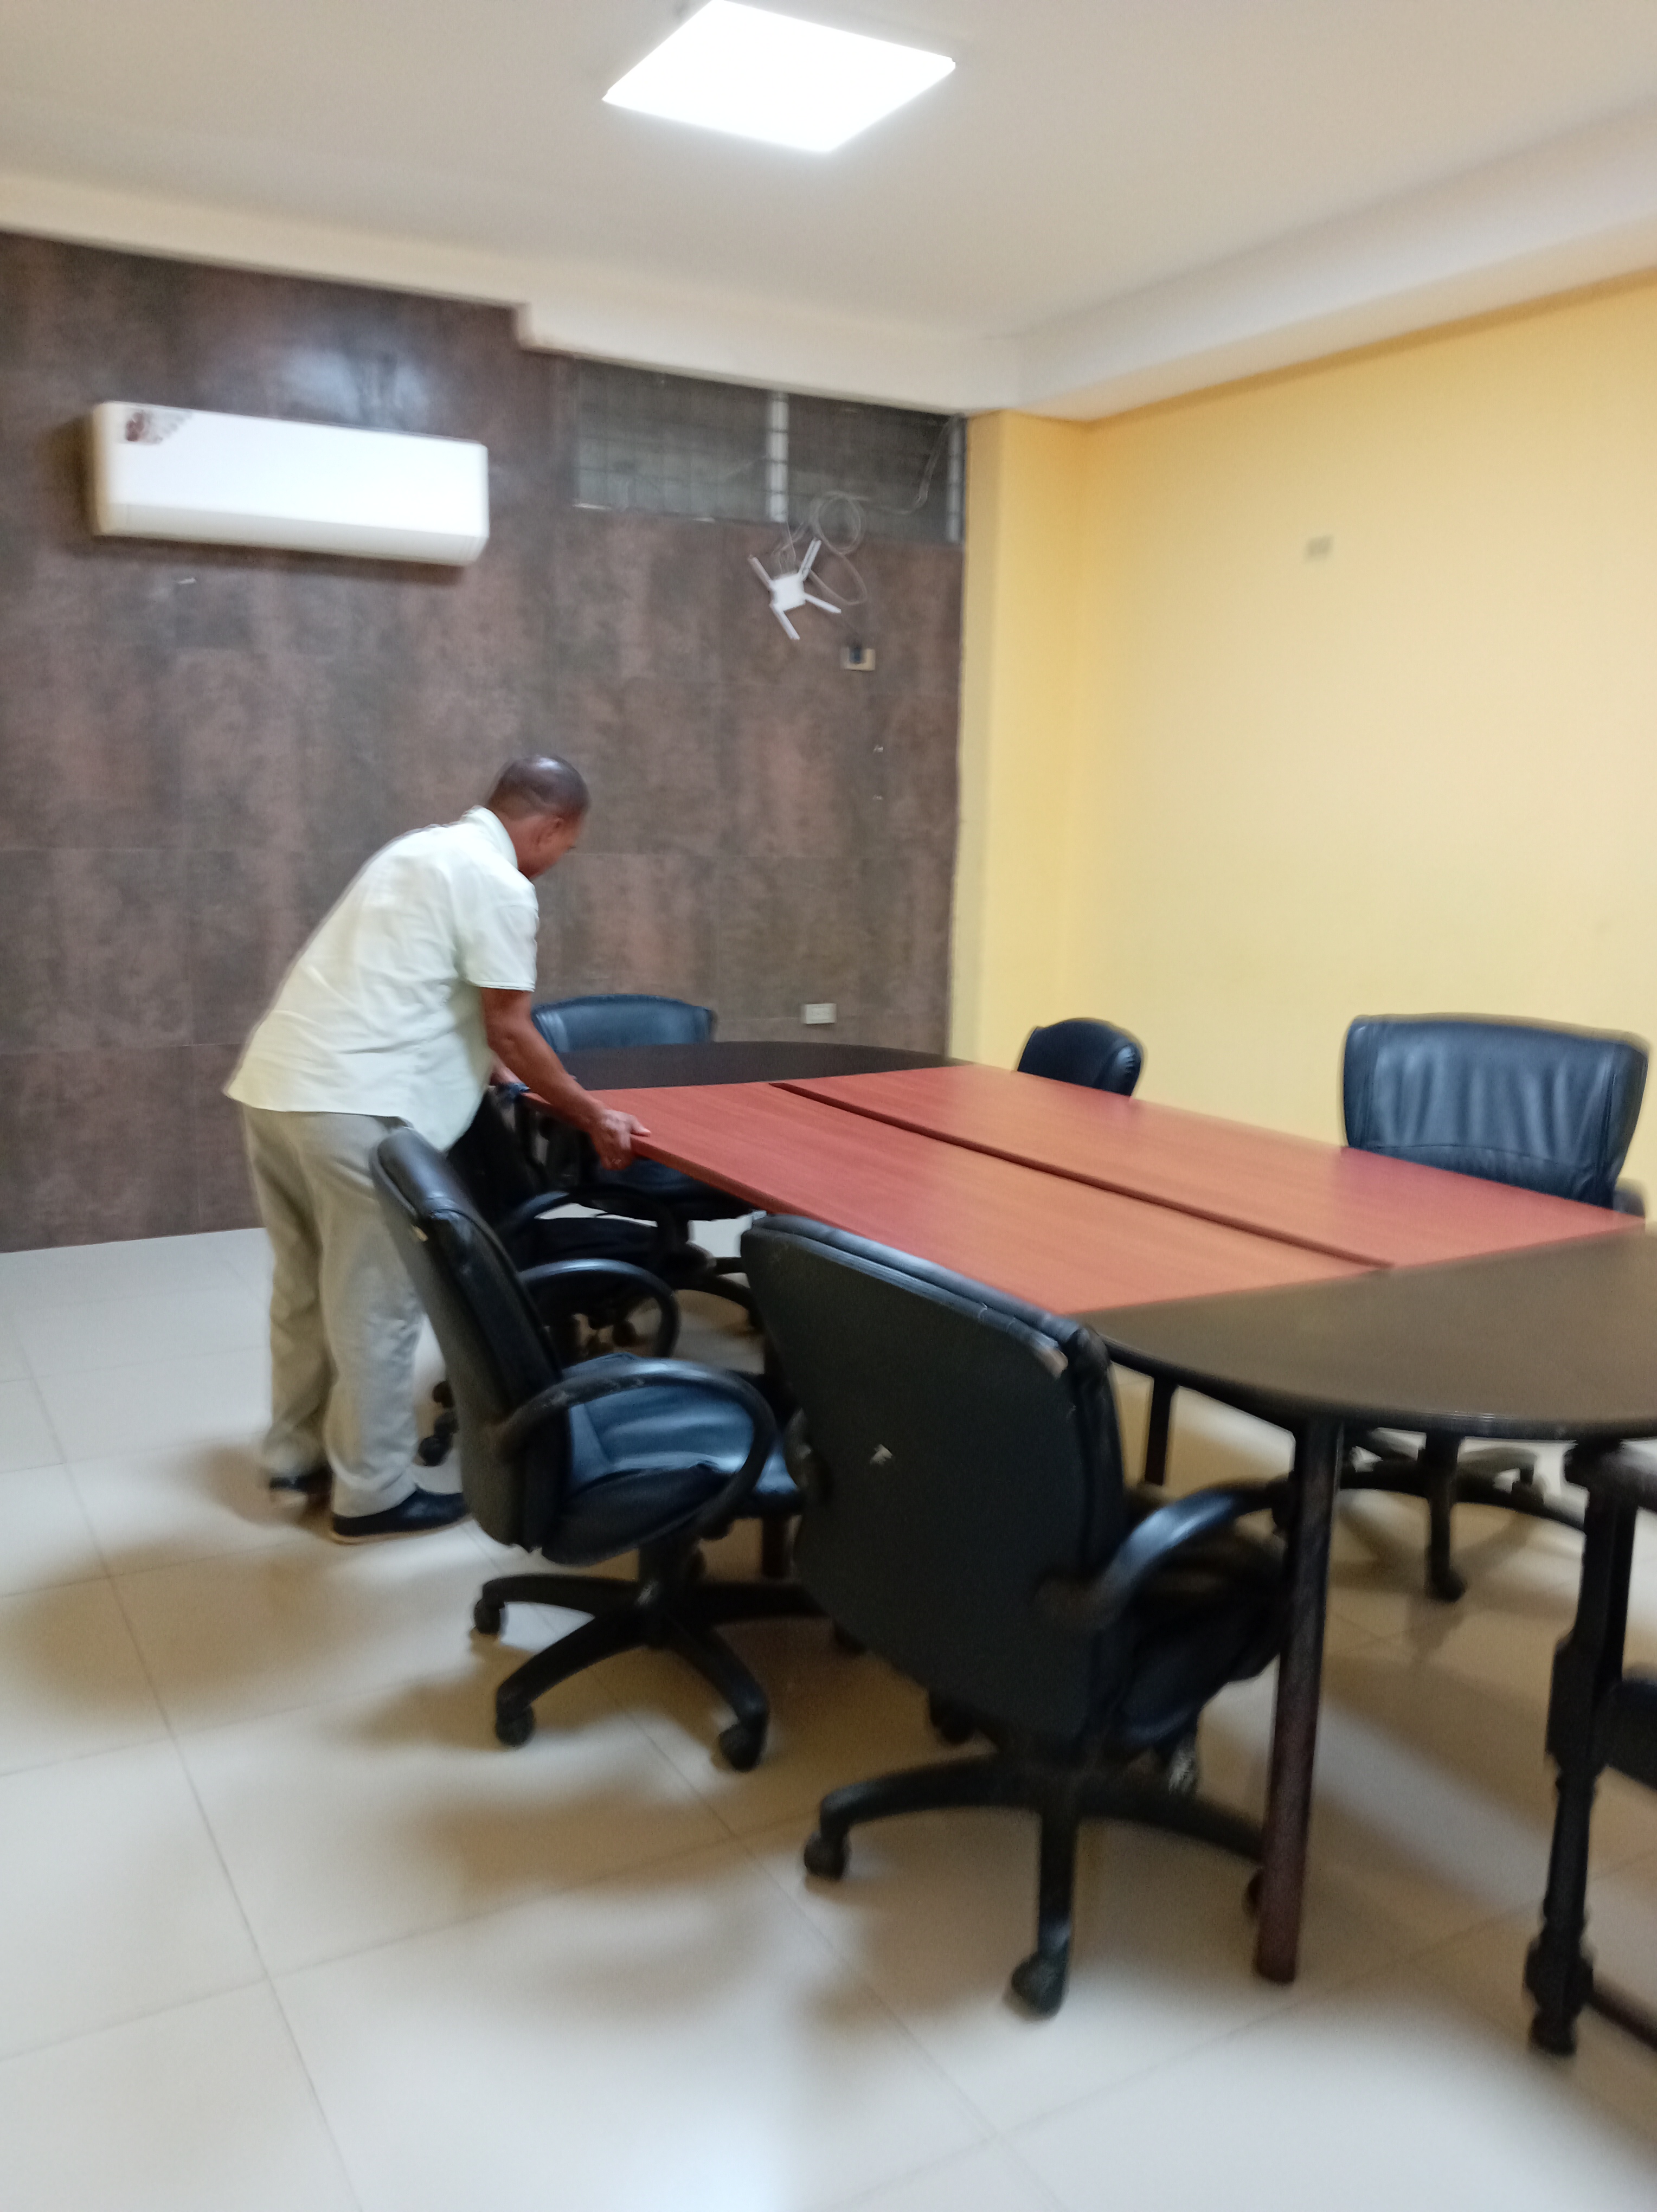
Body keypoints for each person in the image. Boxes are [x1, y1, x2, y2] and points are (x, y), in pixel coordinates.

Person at [226, 756, 646, 1542]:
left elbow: (406, 987)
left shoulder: (415, 851)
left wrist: (480, 1057)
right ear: (552, 825)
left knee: (303, 1289)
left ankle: (294, 1459)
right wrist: (592, 1113)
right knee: (377, 1304)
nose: (560, 861)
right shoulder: (500, 882)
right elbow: (510, 1026)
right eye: (569, 846)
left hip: (277, 1088)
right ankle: (373, 1494)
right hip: (357, 1106)